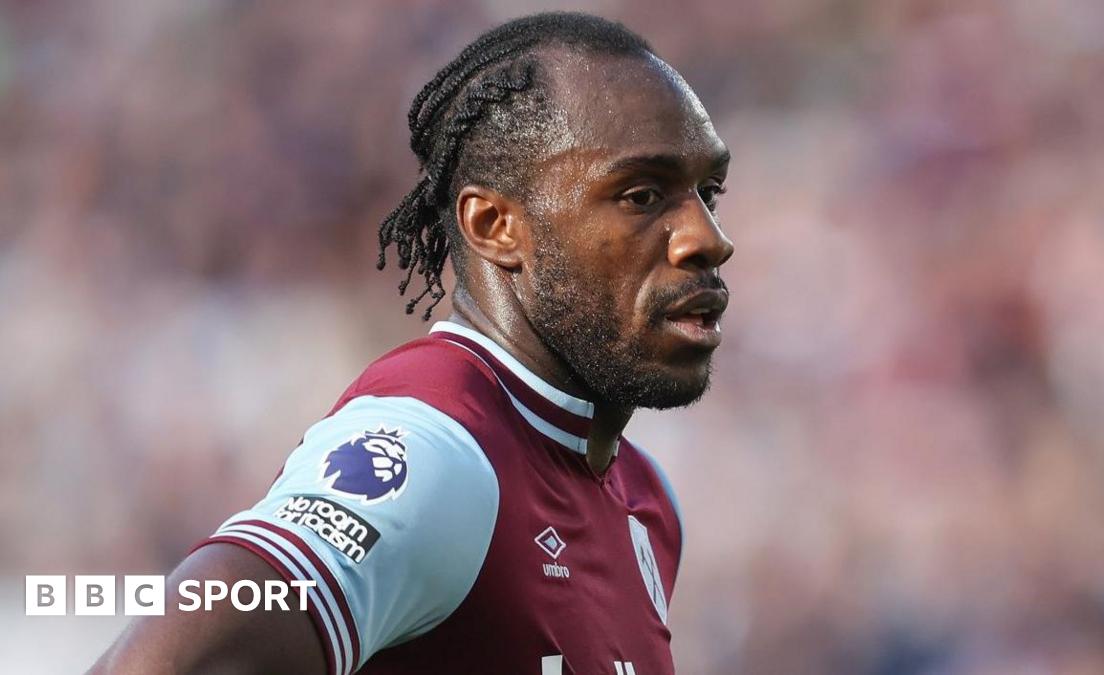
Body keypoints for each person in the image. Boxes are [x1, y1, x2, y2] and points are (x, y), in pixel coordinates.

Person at [91, 11, 733, 674]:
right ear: (494, 226)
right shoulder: (438, 451)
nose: (708, 236)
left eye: (708, 191)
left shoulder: (644, 499)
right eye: (642, 194)